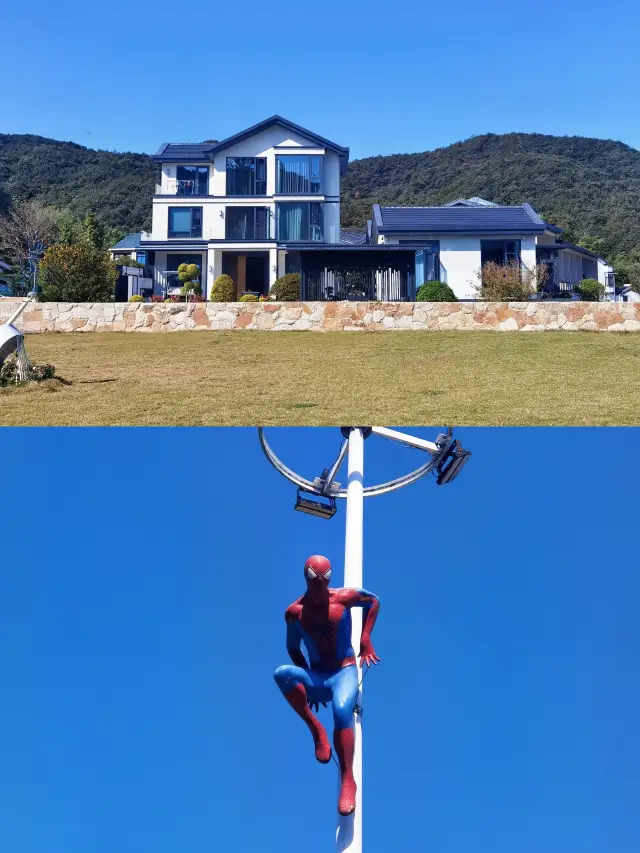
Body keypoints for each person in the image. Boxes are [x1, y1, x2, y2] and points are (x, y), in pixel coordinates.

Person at [274, 555, 380, 816]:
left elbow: (373, 601)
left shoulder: (343, 598)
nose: (321, 587)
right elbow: (292, 647)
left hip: (344, 670)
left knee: (343, 710)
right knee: (282, 674)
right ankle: (316, 729)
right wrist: (308, 674)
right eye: (315, 581)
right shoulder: (295, 613)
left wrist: (365, 639)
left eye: (325, 580)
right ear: (307, 579)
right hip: (319, 675)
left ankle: (347, 778)